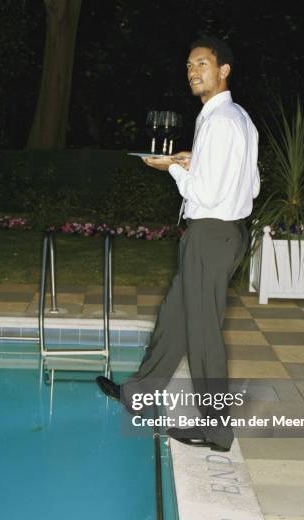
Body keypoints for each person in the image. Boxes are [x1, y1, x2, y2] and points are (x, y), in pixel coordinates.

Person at [97, 36, 260, 452]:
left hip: (210, 232)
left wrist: (171, 167)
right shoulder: (238, 117)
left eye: (202, 64)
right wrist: (194, 161)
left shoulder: (220, 121)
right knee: (174, 316)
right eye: (190, 65)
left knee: (203, 333)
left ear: (223, 70)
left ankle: (217, 429)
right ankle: (139, 393)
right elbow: (252, 183)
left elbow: (204, 194)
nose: (193, 71)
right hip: (226, 232)